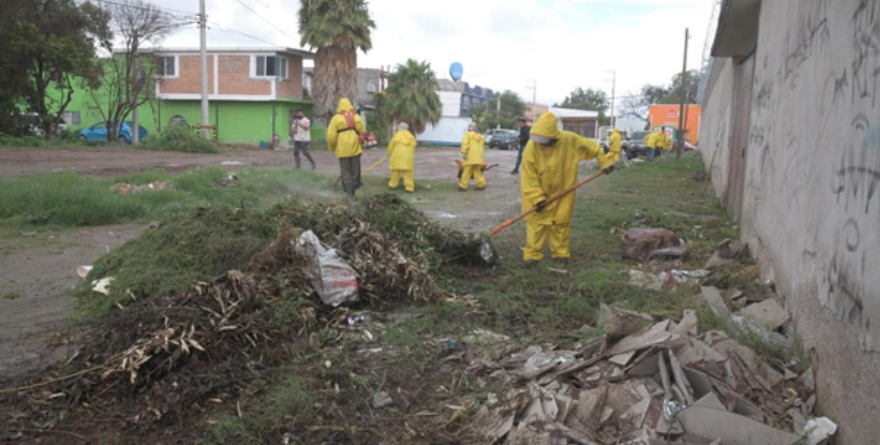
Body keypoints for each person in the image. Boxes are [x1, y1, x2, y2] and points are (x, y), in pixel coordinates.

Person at [521, 112, 615, 266]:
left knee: (561, 223)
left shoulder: (569, 140)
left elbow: (594, 148)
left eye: (544, 141)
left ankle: (560, 254)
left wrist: (605, 162)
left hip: (563, 192)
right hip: (537, 193)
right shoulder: (531, 147)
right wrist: (536, 198)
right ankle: (532, 255)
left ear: (553, 137)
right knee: (535, 224)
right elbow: (529, 176)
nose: (541, 144)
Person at [327, 98, 366, 197]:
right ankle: (353, 191)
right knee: (355, 172)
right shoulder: (357, 117)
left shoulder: (336, 118)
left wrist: (331, 147)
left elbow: (331, 136)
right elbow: (363, 132)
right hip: (355, 148)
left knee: (346, 172)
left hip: (342, 149)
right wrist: (362, 144)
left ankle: (349, 195)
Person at [387, 122, 417, 192]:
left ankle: (392, 185)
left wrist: (389, 153)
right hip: (408, 159)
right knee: (408, 174)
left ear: (399, 128)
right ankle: (409, 188)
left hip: (397, 158)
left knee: (395, 172)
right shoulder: (411, 137)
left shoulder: (397, 136)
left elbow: (391, 146)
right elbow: (414, 146)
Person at [459, 123, 487, 191]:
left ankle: (463, 186)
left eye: (470, 126)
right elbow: (482, 147)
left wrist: (463, 153)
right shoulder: (480, 137)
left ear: (473, 128)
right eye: (468, 126)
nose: (468, 127)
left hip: (470, 158)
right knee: (477, 172)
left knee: (466, 173)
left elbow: (465, 144)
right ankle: (481, 185)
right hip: (478, 159)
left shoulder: (467, 134)